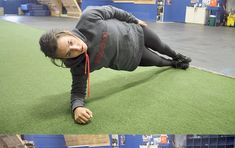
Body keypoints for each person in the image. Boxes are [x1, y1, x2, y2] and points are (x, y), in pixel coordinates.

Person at [39, 5, 191, 124]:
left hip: (136, 32)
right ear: (65, 59)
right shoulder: (79, 65)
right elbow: (77, 92)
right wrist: (77, 108)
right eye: (68, 53)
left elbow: (113, 11)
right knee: (159, 62)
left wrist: (134, 20)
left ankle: (177, 56)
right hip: (133, 57)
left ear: (67, 33)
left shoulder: (89, 17)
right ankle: (173, 64)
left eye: (70, 43)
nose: (77, 49)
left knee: (163, 47)